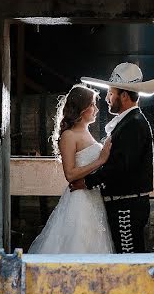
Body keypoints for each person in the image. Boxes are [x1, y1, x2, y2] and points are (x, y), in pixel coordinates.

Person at [71, 62, 154, 254]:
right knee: (125, 257)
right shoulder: (129, 122)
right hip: (123, 204)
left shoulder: (133, 124)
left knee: (129, 261)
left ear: (124, 96)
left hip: (126, 207)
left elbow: (119, 167)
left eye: (111, 93)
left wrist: (87, 182)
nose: (107, 98)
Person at [27, 85, 115, 254]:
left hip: (93, 197)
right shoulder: (69, 135)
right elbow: (70, 174)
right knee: (78, 246)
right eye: (92, 105)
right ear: (81, 109)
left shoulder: (87, 133)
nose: (96, 109)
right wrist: (100, 160)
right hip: (79, 201)